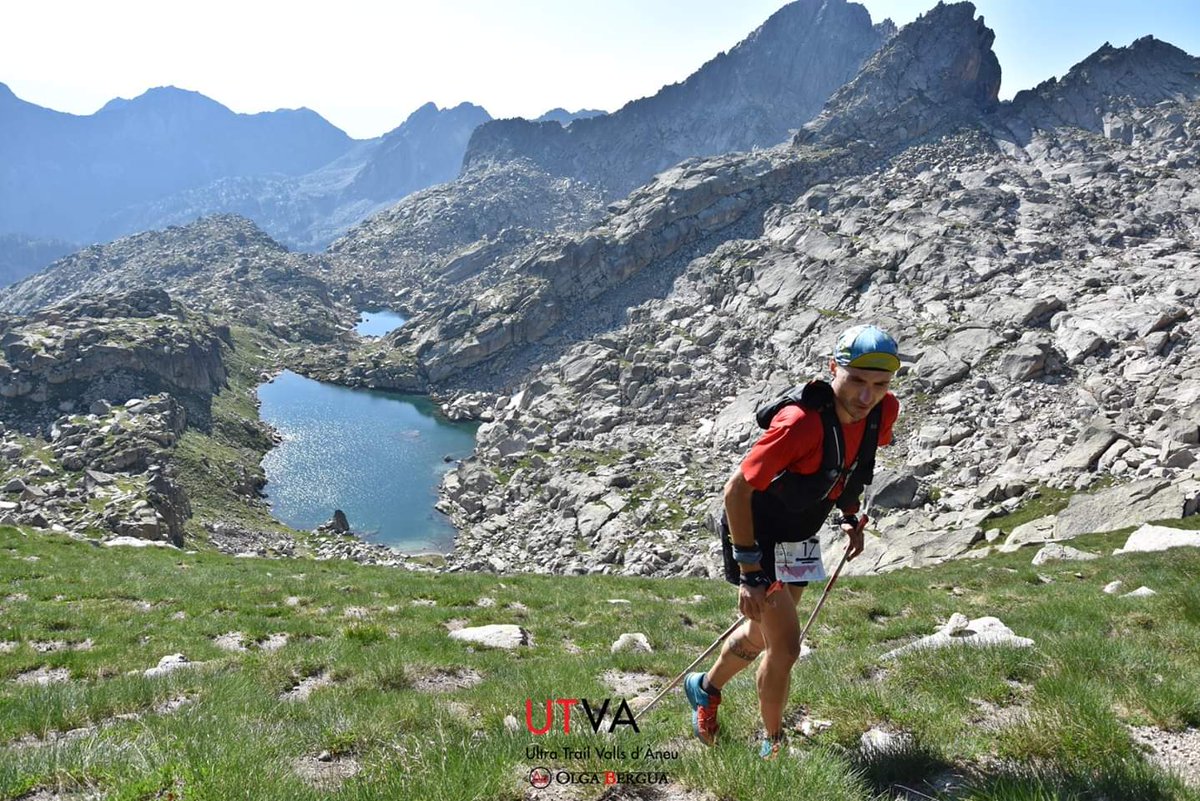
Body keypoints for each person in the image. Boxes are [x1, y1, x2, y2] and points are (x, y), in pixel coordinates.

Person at [685, 324, 901, 759]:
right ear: (832, 369)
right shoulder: (799, 423)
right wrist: (750, 572)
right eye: (856, 380)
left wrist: (849, 515)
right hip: (757, 535)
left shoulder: (883, 411)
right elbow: (736, 491)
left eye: (879, 384)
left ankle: (705, 688)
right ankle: (773, 744)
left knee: (762, 636)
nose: (866, 396)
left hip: (801, 534)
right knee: (786, 646)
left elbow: (851, 465)